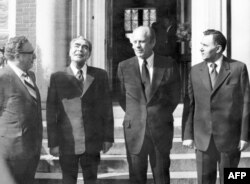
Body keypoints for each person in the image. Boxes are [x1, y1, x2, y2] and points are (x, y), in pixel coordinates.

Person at [182, 29, 250, 184]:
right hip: (203, 140)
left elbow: (247, 104)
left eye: (205, 45)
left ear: (218, 48)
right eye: (201, 45)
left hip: (230, 140)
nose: (200, 48)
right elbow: (190, 105)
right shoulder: (195, 71)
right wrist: (188, 135)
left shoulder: (238, 69)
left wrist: (244, 136)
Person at [117, 26, 181, 184]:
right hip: (135, 130)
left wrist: (157, 114)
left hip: (161, 128)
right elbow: (121, 97)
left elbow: (174, 97)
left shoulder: (168, 64)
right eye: (134, 42)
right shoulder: (123, 66)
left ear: (152, 43)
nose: (137, 46)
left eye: (142, 42)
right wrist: (138, 114)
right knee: (136, 177)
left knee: (162, 177)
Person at [46, 36, 114, 184]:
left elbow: (107, 109)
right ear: (69, 52)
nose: (80, 50)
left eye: (85, 47)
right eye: (76, 46)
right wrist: (53, 143)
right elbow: (52, 113)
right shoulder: (57, 77)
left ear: (89, 54)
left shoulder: (100, 75)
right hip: (67, 141)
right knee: (68, 180)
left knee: (91, 180)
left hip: (92, 140)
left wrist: (108, 138)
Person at [0, 36, 43, 184]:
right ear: (18, 56)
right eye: (31, 52)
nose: (35, 56)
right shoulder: (2, 78)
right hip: (10, 156)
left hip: (31, 152)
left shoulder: (30, 76)